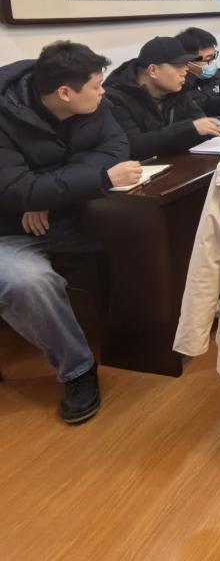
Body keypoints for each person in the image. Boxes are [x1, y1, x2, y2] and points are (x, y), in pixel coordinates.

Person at [0, 41, 142, 424]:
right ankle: (78, 369)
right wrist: (82, 181)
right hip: (9, 229)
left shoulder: (93, 104)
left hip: (74, 217)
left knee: (142, 239)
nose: (103, 91)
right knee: (28, 282)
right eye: (96, 85)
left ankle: (145, 342)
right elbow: (13, 190)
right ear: (65, 93)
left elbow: (116, 148)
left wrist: (43, 191)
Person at [104, 37, 220, 158]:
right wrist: (189, 128)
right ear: (153, 70)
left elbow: (203, 124)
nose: (185, 71)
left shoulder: (178, 90)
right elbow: (135, 146)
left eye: (186, 65)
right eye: (179, 66)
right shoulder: (115, 97)